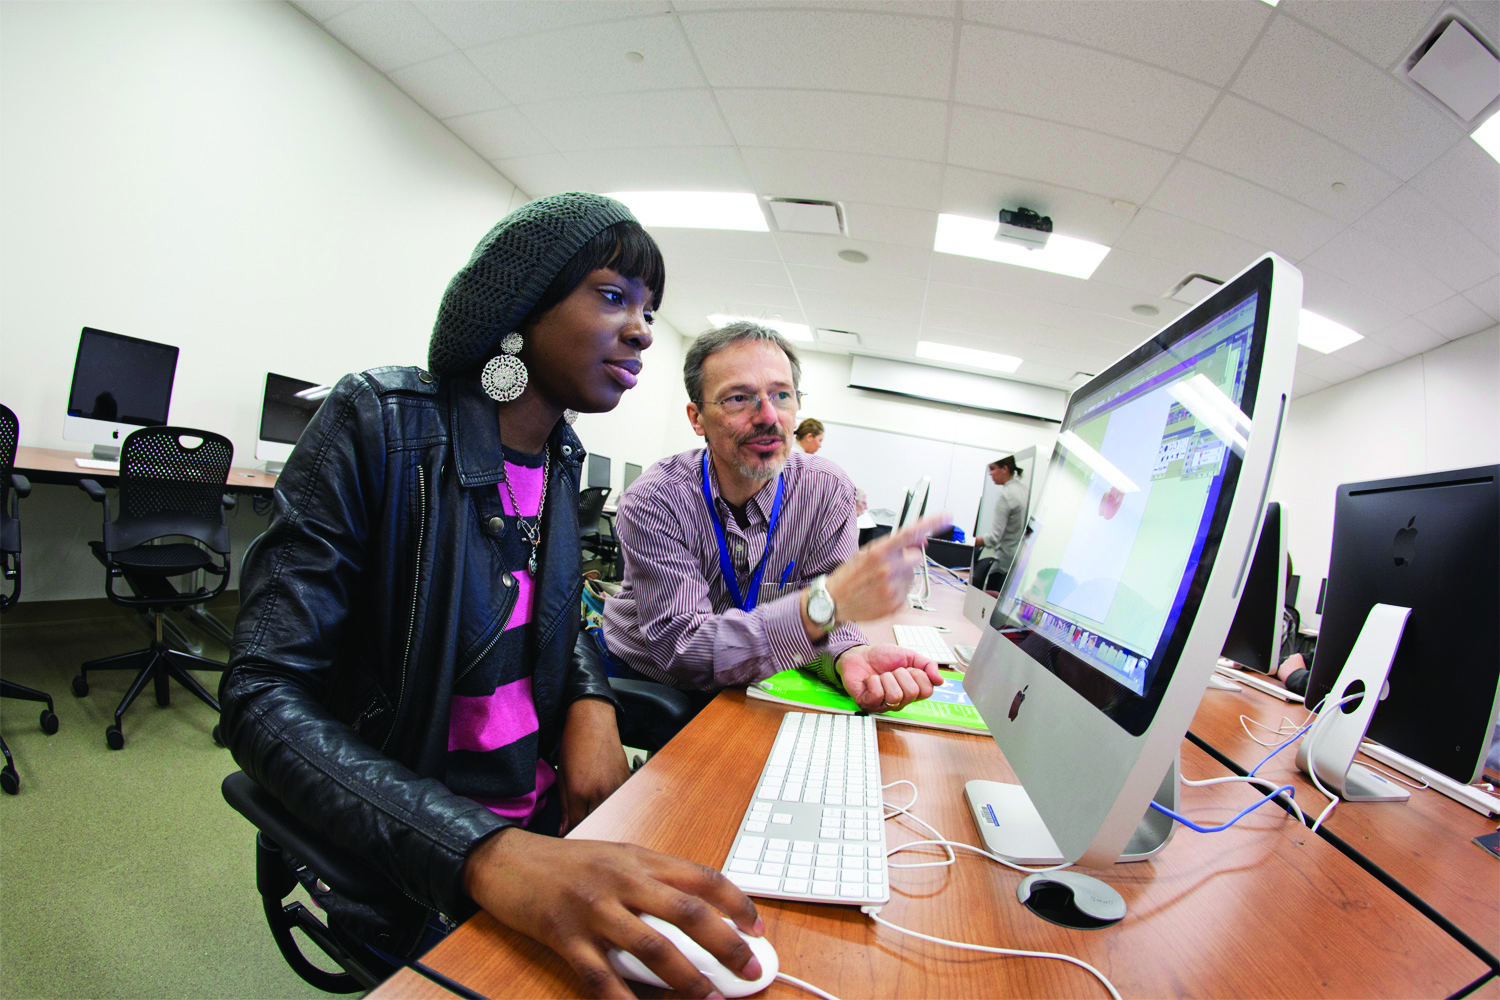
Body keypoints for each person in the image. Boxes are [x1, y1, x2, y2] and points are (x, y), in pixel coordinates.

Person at [219, 193, 765, 999]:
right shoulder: (382, 421)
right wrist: (485, 854)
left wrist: (590, 703)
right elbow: (259, 696)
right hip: (426, 843)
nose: (644, 329)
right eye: (614, 296)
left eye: (649, 308)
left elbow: (545, 609)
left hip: (539, 818)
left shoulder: (558, 456)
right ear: (518, 308)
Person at [601, 320, 947, 712]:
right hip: (650, 679)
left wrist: (847, 656)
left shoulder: (827, 490)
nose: (768, 416)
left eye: (781, 394)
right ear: (697, 418)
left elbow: (828, 618)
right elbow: (686, 651)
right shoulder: (656, 499)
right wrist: (823, 607)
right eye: (737, 398)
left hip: (748, 680)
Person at [973, 455, 1028, 593]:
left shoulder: (1006, 495)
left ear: (1005, 469)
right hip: (1018, 562)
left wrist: (971, 543)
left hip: (1002, 565)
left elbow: (994, 538)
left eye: (993, 468)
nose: (990, 473)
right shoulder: (1024, 490)